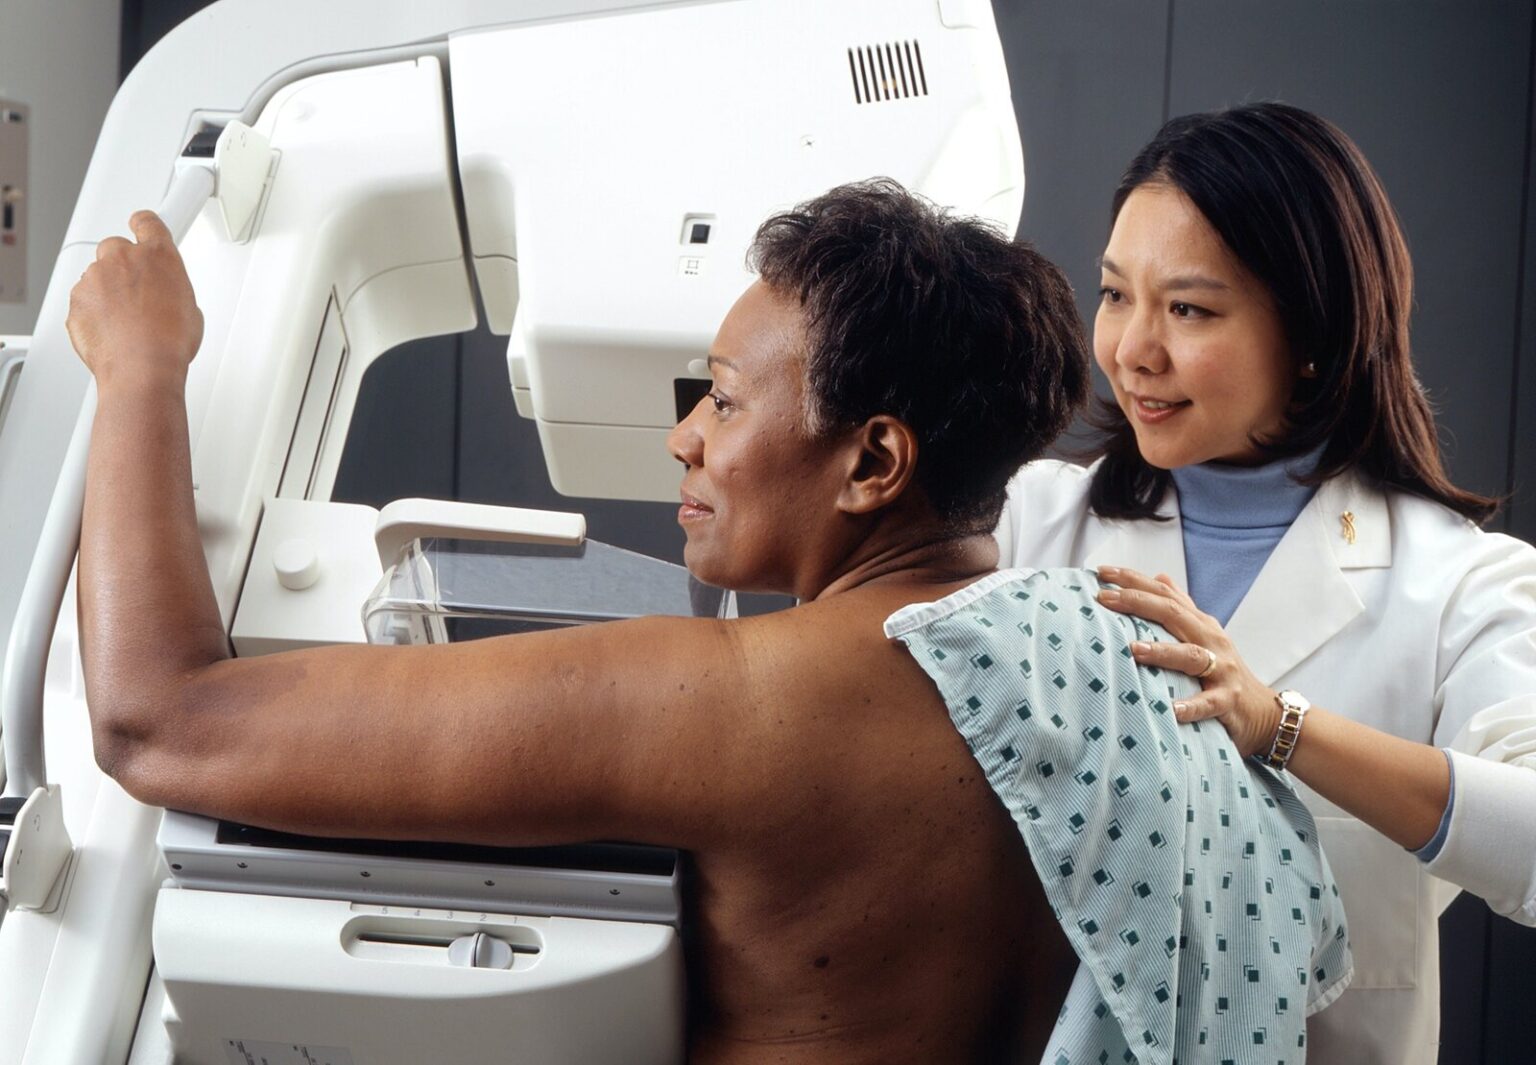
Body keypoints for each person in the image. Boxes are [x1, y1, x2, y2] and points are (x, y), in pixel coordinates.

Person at [68, 179, 1347, 1064]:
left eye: (726, 402)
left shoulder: (748, 701)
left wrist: (141, 373)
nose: (684, 435)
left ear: (872, 462)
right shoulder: (1140, 668)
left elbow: (159, 720)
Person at [995, 102, 1536, 1065]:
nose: (1131, 351)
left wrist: (1282, 726)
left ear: (1313, 334)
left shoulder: (1460, 582)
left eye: (1190, 309)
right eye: (1117, 294)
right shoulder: (1032, 521)